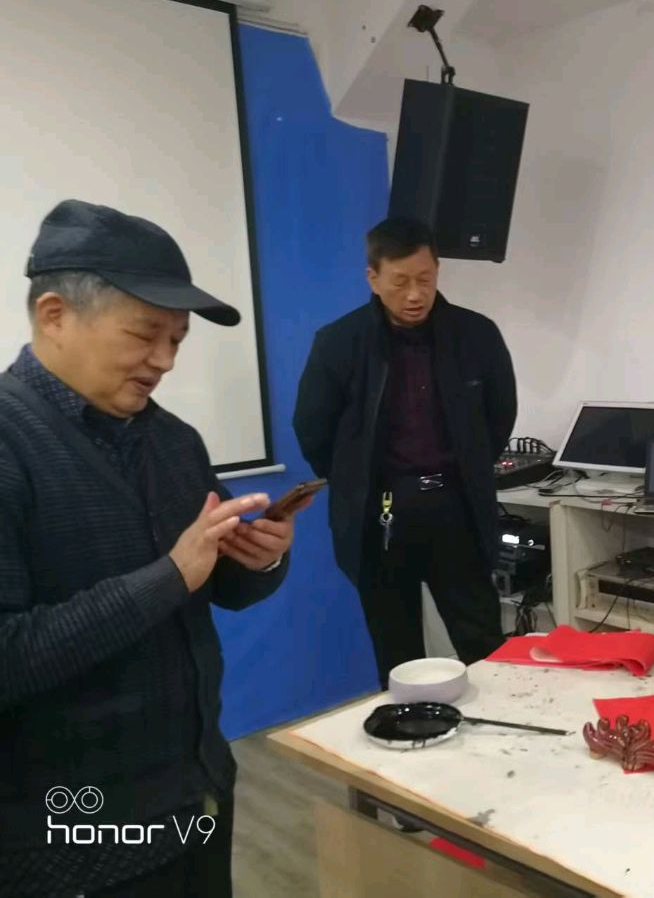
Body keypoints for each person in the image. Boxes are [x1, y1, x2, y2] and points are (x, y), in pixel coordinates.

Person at [0, 200, 307, 896]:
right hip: (67, 844)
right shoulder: (10, 444)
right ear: (55, 315)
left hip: (198, 796)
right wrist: (169, 576)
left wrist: (261, 557)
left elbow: (222, 588)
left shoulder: (174, 441)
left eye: (177, 340)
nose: (164, 361)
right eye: (145, 334)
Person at [293, 216, 516, 687]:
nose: (415, 294)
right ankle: (411, 727)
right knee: (397, 651)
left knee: (483, 642)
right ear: (373, 278)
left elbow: (500, 416)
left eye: (425, 279)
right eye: (400, 282)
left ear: (437, 272)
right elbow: (312, 428)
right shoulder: (339, 343)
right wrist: (355, 481)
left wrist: (470, 467)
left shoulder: (476, 334)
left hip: (457, 509)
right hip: (381, 515)